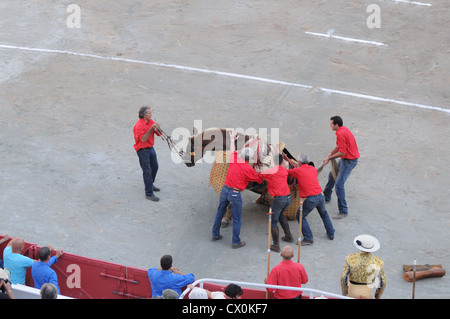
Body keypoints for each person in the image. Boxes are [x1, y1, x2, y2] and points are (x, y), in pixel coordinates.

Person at [211, 130, 263, 249]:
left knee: (220, 213)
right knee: (237, 219)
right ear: (249, 159)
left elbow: (232, 150)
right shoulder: (249, 170)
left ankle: (215, 234)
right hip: (235, 194)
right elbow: (259, 180)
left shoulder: (234, 159)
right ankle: (235, 242)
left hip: (224, 190)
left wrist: (232, 139)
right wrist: (260, 172)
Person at [288, 154, 335, 246]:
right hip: (321, 196)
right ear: (308, 162)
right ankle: (331, 233)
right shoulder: (313, 169)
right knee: (324, 214)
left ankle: (308, 238)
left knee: (300, 216)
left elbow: (287, 172)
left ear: (299, 162)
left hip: (311, 199)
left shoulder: (298, 171)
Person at [322, 116, 360, 219]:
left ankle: (343, 210)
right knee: (332, 175)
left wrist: (329, 158)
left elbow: (342, 152)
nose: (330, 125)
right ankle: (326, 196)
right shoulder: (343, 130)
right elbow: (339, 146)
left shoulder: (340, 133)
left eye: (331, 124)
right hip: (345, 159)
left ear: (336, 125)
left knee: (339, 185)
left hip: (349, 161)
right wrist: (329, 154)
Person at [259, 153, 293, 252]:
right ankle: (288, 236)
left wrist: (259, 170)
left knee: (273, 221)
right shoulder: (284, 170)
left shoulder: (270, 171)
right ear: (282, 161)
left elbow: (260, 175)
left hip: (279, 199)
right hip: (288, 198)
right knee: (281, 215)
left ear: (273, 161)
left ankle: (276, 245)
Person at [340, 234, 386, 299]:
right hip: (367, 292)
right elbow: (383, 282)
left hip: (353, 290)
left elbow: (343, 277)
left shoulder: (350, 258)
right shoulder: (378, 262)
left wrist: (345, 292)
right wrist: (377, 296)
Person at [133, 106, 162, 202]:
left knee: (155, 167)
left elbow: (159, 134)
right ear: (144, 115)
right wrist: (151, 129)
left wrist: (158, 127)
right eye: (149, 113)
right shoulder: (138, 126)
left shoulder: (150, 121)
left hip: (150, 148)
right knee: (147, 171)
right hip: (142, 150)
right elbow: (143, 139)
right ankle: (149, 193)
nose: (151, 114)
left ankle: (150, 184)